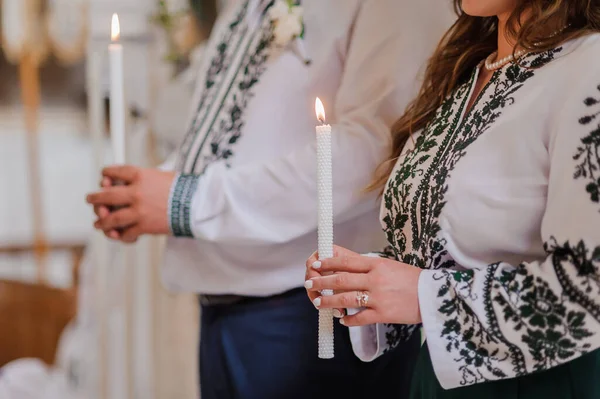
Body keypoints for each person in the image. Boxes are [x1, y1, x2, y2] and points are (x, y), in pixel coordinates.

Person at [85, 0, 454, 397]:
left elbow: (372, 152)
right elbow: (231, 133)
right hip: (225, 306)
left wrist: (189, 201)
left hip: (310, 314)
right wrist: (152, 192)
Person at [305, 0, 600, 398]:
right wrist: (364, 284)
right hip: (438, 382)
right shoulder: (469, 71)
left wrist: (426, 295)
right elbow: (442, 256)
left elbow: (590, 287)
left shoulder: (588, 66)